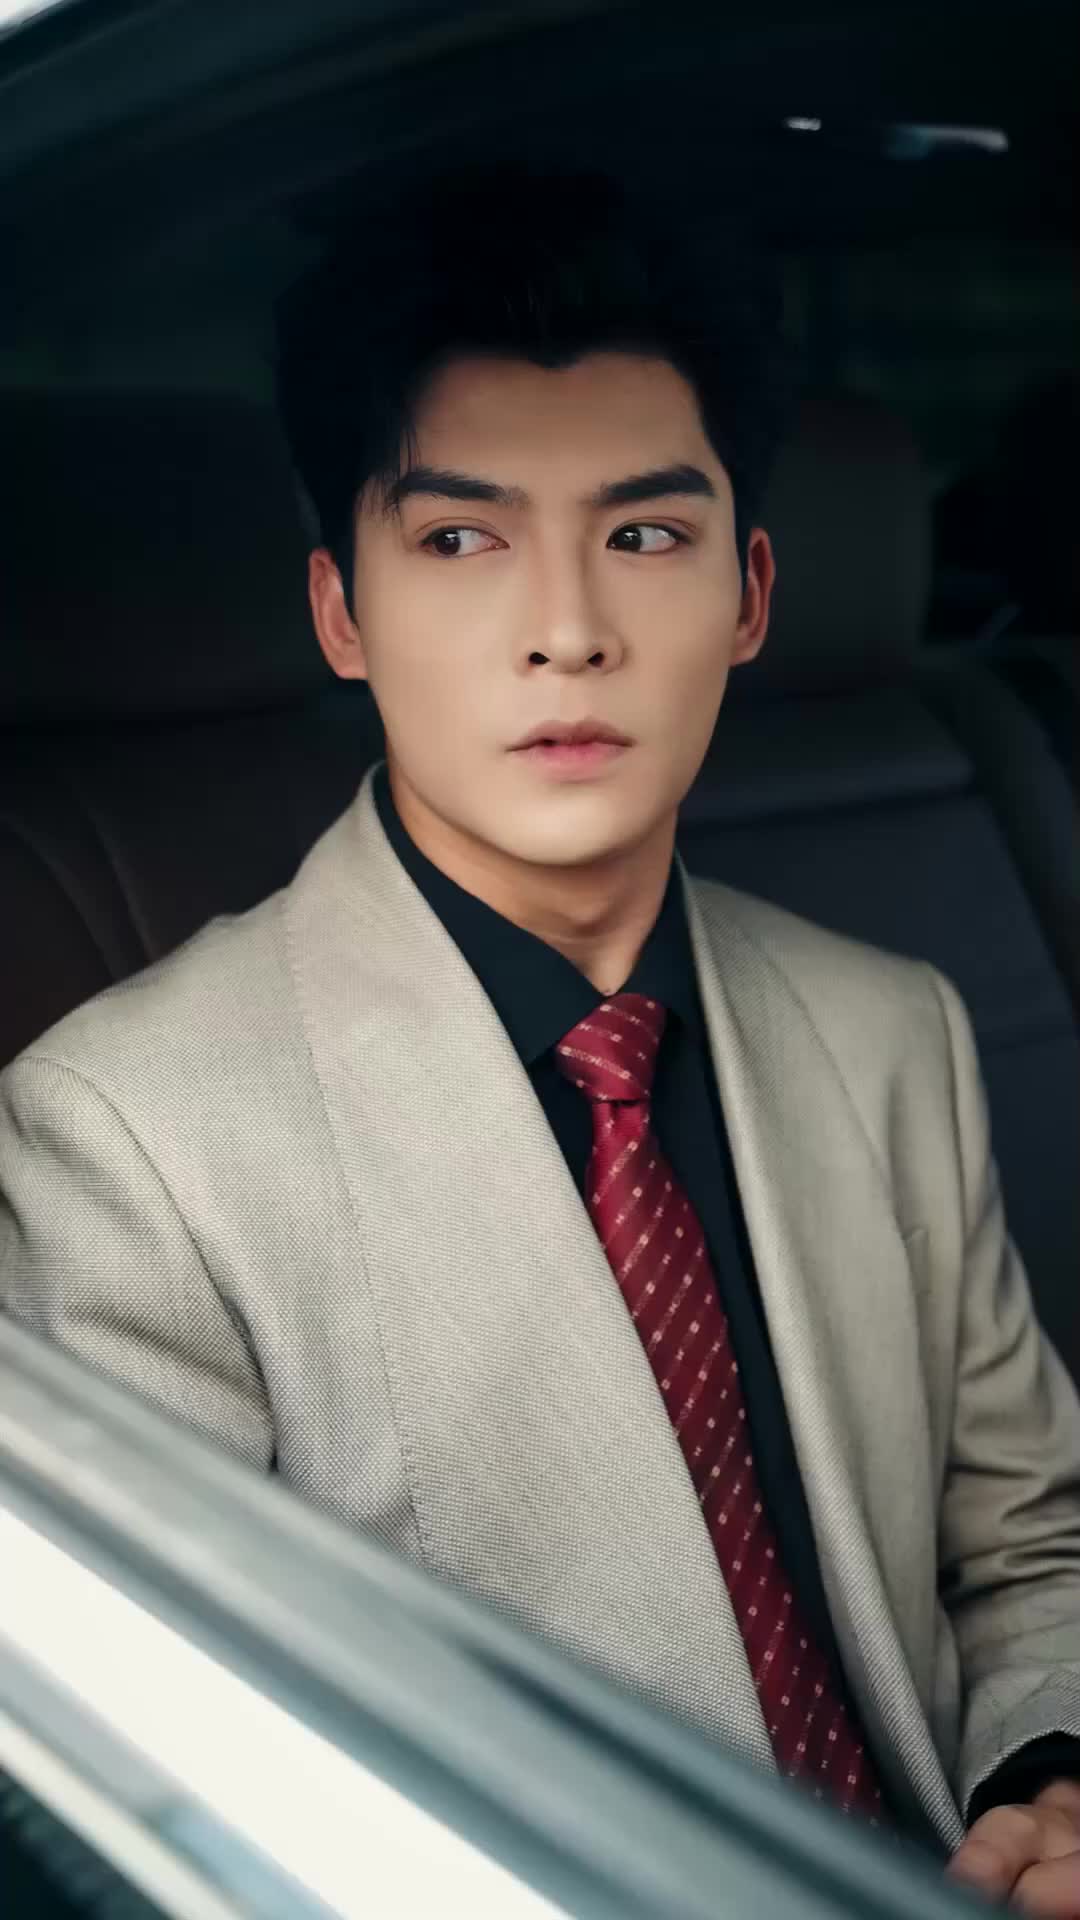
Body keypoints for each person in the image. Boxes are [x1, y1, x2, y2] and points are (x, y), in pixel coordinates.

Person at [2, 165, 1080, 1909]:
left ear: (750, 593)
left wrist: (1044, 1773)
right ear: (340, 613)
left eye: (644, 536)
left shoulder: (891, 1030)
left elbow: (1029, 1551)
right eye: (461, 540)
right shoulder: (128, 1143)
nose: (569, 631)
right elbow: (193, 1792)